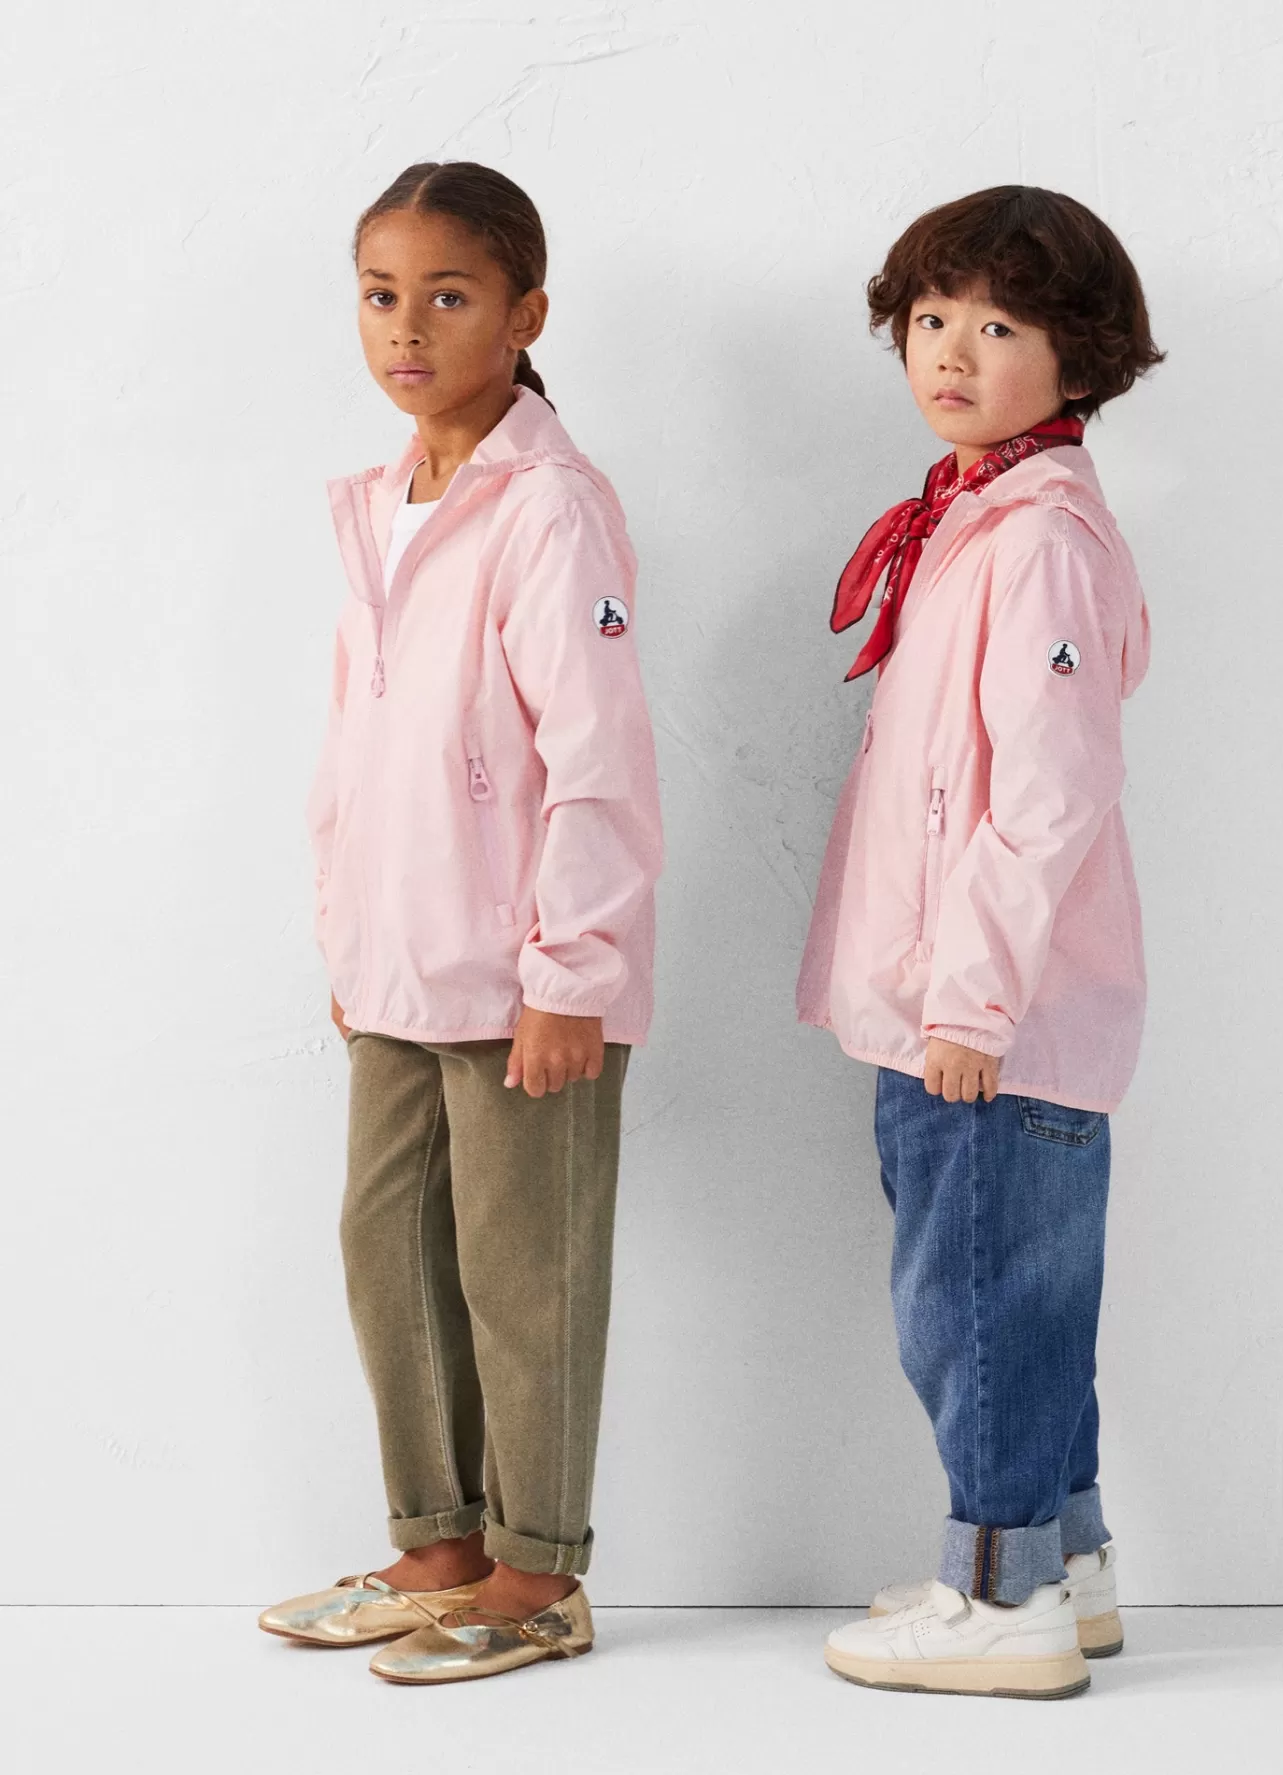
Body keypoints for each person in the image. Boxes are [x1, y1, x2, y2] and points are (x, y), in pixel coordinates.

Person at [259, 162, 662, 1686]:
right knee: (387, 1245)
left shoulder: (550, 508)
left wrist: (573, 972)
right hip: (398, 962)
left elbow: (597, 758)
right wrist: (347, 931)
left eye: (449, 295)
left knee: (522, 1271)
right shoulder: (382, 506)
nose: (408, 328)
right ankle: (438, 1549)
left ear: (525, 315)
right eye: (382, 295)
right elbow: (357, 750)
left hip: (524, 977)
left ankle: (537, 1572)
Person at [797, 185, 1162, 1698]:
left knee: (974, 1307)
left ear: (1079, 353)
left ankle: (1001, 1593)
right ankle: (1064, 1566)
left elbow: (1049, 796)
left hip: (987, 1017)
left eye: (1000, 325)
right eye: (931, 316)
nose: (951, 351)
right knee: (1028, 1297)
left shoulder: (1038, 540)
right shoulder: (979, 516)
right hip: (968, 1000)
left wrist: (971, 1002)